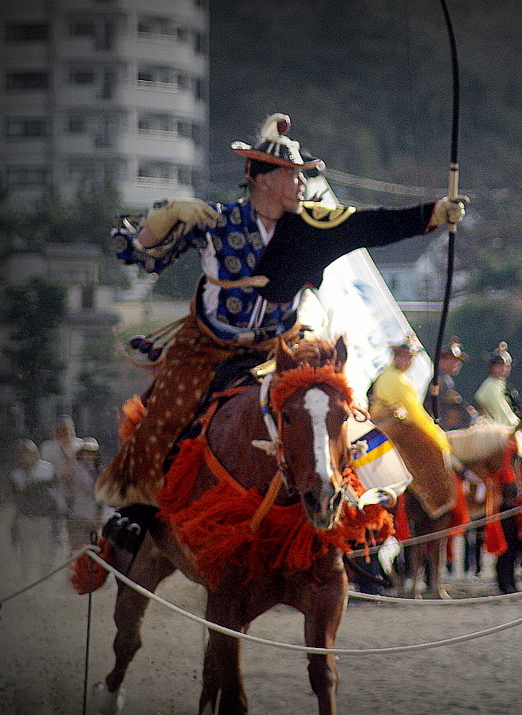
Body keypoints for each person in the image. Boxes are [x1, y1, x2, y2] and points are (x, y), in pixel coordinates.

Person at [97, 113, 466, 510]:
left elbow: (372, 224)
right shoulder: (217, 220)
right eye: (292, 175)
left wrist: (433, 214)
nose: (302, 184)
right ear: (261, 178)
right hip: (208, 348)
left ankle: (361, 508)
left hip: (282, 349)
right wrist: (166, 214)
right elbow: (141, 250)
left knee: (336, 409)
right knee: (161, 419)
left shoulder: (312, 223)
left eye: (303, 176)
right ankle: (139, 516)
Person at [475, 342, 522, 594]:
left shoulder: (504, 389)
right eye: (498, 365)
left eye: (505, 365)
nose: (502, 369)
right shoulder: (490, 389)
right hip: (498, 442)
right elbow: (506, 420)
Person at [9, 439, 62, 574]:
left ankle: (46, 581)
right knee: (26, 552)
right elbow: (15, 499)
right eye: (21, 455)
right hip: (26, 518)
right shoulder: (16, 475)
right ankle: (26, 580)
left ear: (34, 454)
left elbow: (55, 493)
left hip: (44, 517)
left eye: (26, 454)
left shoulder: (47, 469)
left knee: (47, 551)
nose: (24, 457)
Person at [39, 415, 82, 521]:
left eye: (65, 430)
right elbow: (45, 470)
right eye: (58, 430)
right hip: (56, 492)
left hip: (77, 491)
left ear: (72, 431)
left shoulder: (81, 446)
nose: (61, 433)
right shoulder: (47, 448)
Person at [430, 337, 477, 432]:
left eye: (459, 361)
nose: (458, 364)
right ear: (441, 361)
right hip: (441, 428)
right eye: (454, 360)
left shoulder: (446, 379)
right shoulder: (439, 380)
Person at [66, 437, 104, 552]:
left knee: (92, 550)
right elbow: (91, 488)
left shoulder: (96, 469)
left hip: (94, 518)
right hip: (80, 516)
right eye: (86, 452)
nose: (89, 455)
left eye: (92, 453)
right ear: (81, 454)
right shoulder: (78, 469)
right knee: (78, 549)